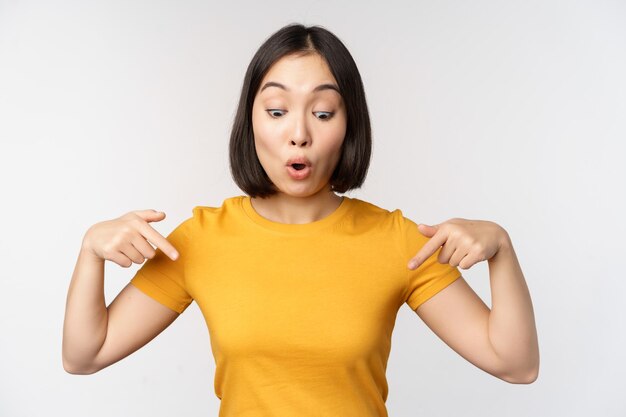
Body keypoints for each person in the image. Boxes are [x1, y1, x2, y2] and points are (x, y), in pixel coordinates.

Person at [62, 23, 539, 416]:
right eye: (276, 110)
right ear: (251, 122)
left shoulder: (396, 241)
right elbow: (85, 355)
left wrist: (501, 247)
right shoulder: (202, 239)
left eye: (323, 112)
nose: (299, 133)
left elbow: (516, 364)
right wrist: (90, 252)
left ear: (349, 124)